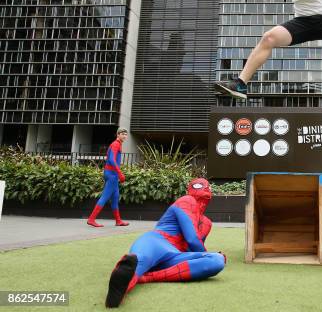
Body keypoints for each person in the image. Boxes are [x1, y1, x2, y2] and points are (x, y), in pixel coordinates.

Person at [105, 178, 226, 308]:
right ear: (190, 190)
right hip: (157, 242)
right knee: (138, 261)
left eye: (207, 186)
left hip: (175, 256)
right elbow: (192, 239)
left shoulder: (206, 223)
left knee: (217, 260)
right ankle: (118, 291)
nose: (205, 189)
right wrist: (202, 256)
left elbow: (194, 249)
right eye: (199, 185)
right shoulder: (187, 200)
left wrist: (206, 257)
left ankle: (145, 277)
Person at [87, 128, 129, 227]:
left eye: (126, 134)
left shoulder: (117, 144)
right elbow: (111, 160)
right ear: (118, 135)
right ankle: (91, 219)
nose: (124, 136)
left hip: (111, 174)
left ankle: (118, 221)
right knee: (105, 197)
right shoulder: (116, 144)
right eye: (123, 134)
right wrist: (120, 173)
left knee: (115, 197)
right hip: (112, 175)